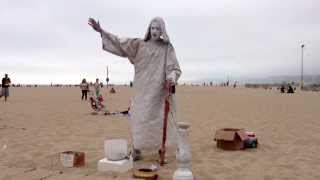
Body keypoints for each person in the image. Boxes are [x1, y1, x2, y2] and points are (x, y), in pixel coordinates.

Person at [88, 17, 182, 160]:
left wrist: (171, 79)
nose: (155, 31)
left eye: (158, 28)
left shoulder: (167, 48)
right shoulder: (139, 44)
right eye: (153, 28)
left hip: (159, 91)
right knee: (138, 118)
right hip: (141, 89)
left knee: (159, 119)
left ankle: (160, 148)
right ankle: (137, 149)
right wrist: (102, 31)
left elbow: (173, 68)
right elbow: (120, 43)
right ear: (149, 29)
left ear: (162, 30)